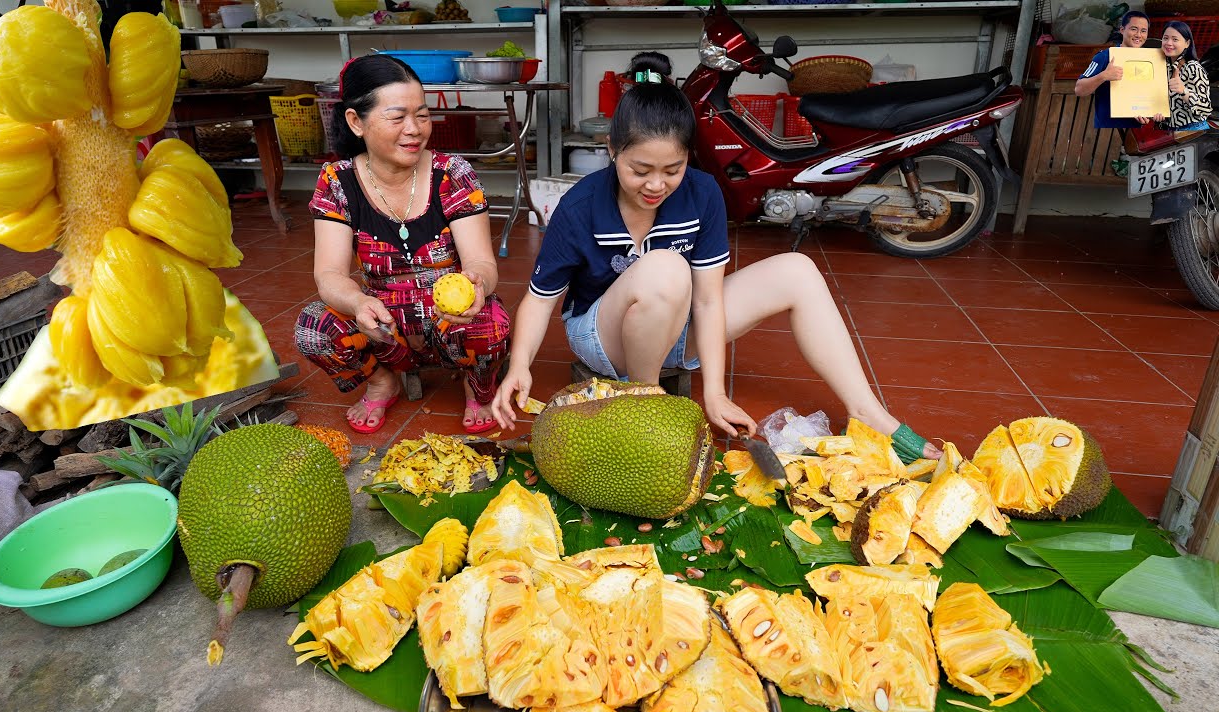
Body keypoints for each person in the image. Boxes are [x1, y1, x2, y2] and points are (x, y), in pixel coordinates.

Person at [489, 56, 941, 463]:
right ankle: (643, 403)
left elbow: (707, 302)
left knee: (797, 270)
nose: (655, 185)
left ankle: (867, 412)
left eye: (672, 170)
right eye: (639, 170)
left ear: (689, 157)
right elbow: (540, 300)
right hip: (604, 337)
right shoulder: (581, 205)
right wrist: (520, 366)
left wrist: (716, 393)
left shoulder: (703, 193)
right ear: (612, 150)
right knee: (665, 268)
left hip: (677, 323)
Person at [296, 55, 510, 435]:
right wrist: (359, 302)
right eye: (397, 117)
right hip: (384, 329)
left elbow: (481, 261)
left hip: (452, 324)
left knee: (490, 322)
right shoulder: (337, 181)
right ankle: (382, 381)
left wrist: (478, 282)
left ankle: (479, 386)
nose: (414, 129)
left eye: (423, 115)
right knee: (314, 326)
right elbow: (329, 275)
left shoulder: (452, 173)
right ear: (355, 121)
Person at [1073, 11, 1151, 130]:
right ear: (1122, 30)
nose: (1139, 35)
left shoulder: (1151, 61)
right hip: (1107, 130)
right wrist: (1104, 76)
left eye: (1143, 31)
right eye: (1134, 29)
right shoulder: (1105, 57)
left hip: (1136, 131)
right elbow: (1079, 89)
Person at [1158, 21, 1212, 132]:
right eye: (1165, 38)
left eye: (1175, 39)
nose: (1168, 43)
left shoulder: (1193, 68)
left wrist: (1184, 91)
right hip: (1172, 131)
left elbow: (1205, 108)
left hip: (1194, 130)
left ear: (1187, 43)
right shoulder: (1165, 67)